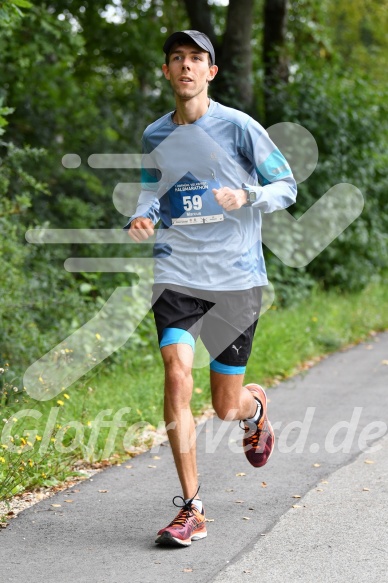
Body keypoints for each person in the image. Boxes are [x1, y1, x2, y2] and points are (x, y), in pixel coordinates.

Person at [125, 30, 297, 547]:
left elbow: (285, 186)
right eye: (176, 58)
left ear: (211, 72)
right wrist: (142, 214)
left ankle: (254, 408)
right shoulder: (157, 134)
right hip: (177, 274)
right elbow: (150, 188)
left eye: (196, 59)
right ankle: (191, 508)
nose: (186, 67)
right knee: (177, 377)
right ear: (166, 71)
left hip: (236, 280)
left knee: (226, 406)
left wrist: (245, 195)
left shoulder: (239, 127)